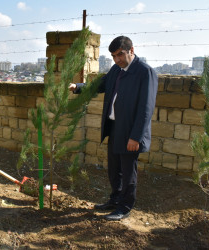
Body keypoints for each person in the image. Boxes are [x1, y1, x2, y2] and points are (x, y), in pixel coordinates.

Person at [69, 36, 158, 220]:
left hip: (131, 131)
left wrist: (136, 137)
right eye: (113, 56)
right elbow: (100, 85)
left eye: (120, 55)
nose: (117, 59)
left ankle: (124, 207)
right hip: (115, 127)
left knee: (127, 171)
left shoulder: (145, 72)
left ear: (131, 50)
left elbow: (146, 109)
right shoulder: (116, 70)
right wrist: (78, 87)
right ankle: (115, 199)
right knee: (114, 168)